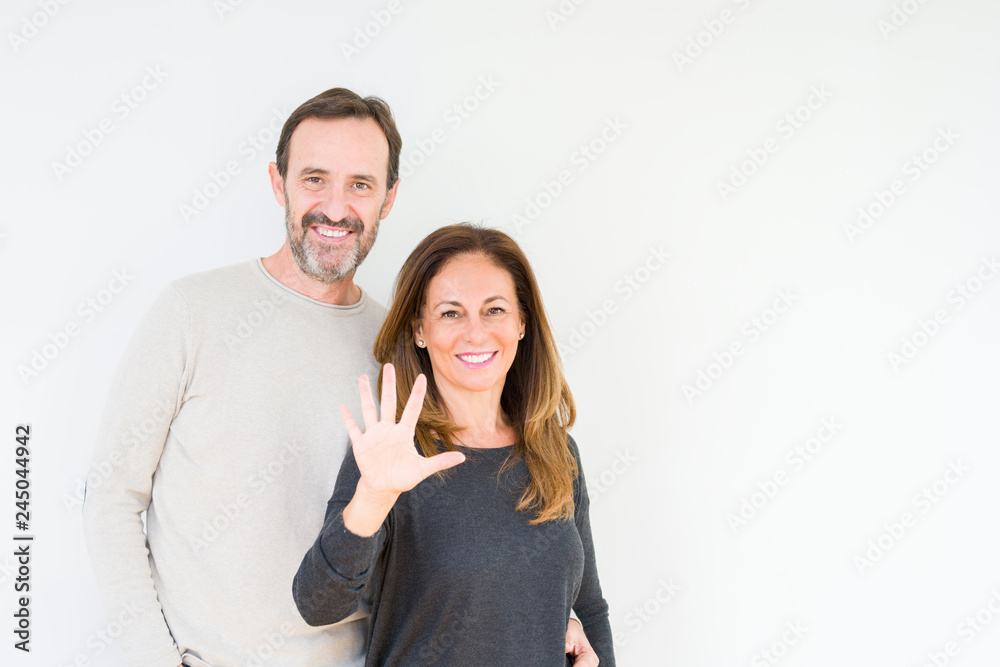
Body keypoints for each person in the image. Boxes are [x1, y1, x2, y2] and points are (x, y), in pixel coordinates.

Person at [82, 88, 597, 667]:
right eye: (314, 179)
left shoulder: (400, 351)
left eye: (360, 184)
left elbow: (459, 526)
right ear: (278, 183)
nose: (335, 206)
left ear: (388, 197)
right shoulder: (192, 313)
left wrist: (558, 609)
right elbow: (110, 497)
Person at [293, 224, 615, 665]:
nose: (476, 333)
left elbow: (589, 608)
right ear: (419, 330)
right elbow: (318, 604)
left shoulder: (556, 452)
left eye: (495, 310)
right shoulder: (395, 451)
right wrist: (373, 497)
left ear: (522, 322)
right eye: (450, 313)